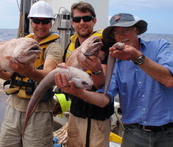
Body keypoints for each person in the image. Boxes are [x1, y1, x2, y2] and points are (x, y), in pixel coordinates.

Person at [56, 13, 173, 147]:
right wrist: (79, 92)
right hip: (133, 135)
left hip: (168, 135)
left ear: (137, 30)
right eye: (116, 33)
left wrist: (136, 58)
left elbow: (169, 80)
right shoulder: (116, 62)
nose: (121, 36)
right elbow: (104, 98)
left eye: (126, 30)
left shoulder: (160, 46)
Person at [0, 1, 62, 147]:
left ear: (51, 23)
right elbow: (8, 76)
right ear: (30, 22)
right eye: (36, 21)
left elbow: (49, 75)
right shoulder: (20, 44)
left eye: (45, 21)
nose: (40, 25)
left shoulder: (54, 47)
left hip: (39, 112)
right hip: (13, 108)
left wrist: (30, 71)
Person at [55, 2, 114, 147]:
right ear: (72, 23)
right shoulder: (70, 46)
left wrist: (96, 69)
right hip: (75, 112)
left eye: (86, 18)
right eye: (77, 19)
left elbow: (102, 84)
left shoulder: (104, 45)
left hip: (97, 117)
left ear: (94, 21)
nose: (82, 23)